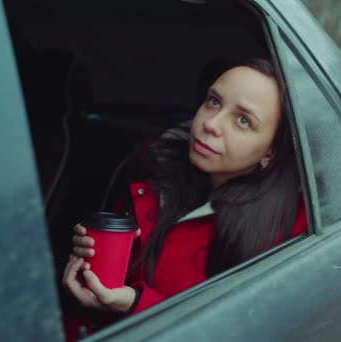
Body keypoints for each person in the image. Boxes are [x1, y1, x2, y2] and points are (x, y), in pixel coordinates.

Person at [62, 58, 307, 328]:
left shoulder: (294, 232)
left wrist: (135, 303)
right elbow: (96, 311)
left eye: (243, 120)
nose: (211, 123)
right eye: (213, 101)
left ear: (271, 150)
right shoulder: (154, 179)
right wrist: (91, 272)